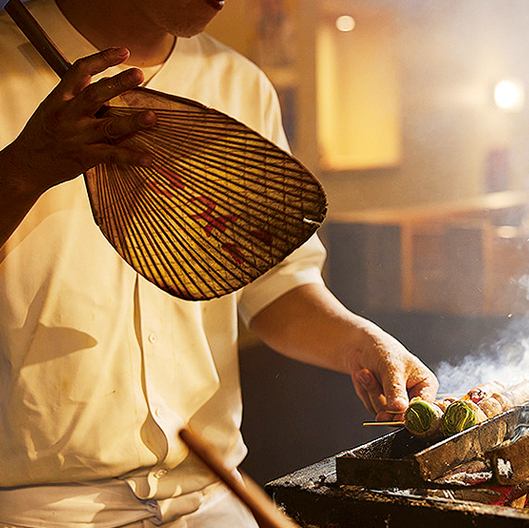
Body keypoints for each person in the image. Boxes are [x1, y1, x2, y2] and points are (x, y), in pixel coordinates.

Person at [0, 0, 439, 526]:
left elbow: (274, 285)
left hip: (212, 491)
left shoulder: (238, 82)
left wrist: (357, 342)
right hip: (36, 506)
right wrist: (24, 169)